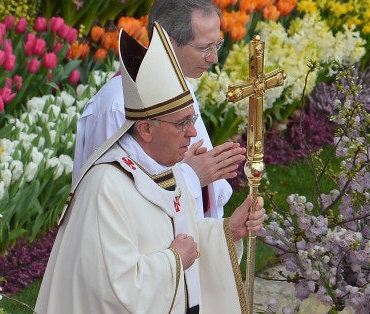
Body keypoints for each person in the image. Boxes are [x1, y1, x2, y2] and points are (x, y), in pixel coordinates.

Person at [35, 24, 265, 313]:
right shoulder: (106, 186)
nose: (193, 133)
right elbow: (110, 286)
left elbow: (183, 236)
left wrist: (228, 231)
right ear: (145, 128)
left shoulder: (170, 170)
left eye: (191, 119)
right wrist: (174, 262)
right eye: (182, 123)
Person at [73, 0, 243, 220]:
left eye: (216, 44)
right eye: (204, 48)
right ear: (168, 43)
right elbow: (109, 198)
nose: (214, 57)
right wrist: (192, 177)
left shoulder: (180, 87)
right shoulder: (117, 107)